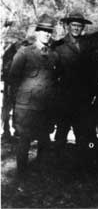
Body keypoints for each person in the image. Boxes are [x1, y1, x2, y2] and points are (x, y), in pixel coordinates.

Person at [9, 14, 60, 177]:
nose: (46, 34)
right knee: (24, 139)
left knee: (44, 139)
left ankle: (40, 170)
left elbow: (55, 80)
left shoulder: (54, 55)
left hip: (46, 107)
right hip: (26, 107)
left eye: (49, 31)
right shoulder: (24, 52)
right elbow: (13, 79)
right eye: (43, 30)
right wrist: (17, 104)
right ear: (37, 32)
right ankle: (22, 173)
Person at [53, 10, 96, 159]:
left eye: (79, 25)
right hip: (64, 99)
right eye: (73, 25)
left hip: (83, 101)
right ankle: (55, 168)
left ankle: (79, 168)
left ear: (83, 27)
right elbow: (53, 74)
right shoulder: (58, 46)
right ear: (68, 26)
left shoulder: (89, 46)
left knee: (83, 136)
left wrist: (92, 94)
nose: (76, 28)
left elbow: (94, 72)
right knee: (61, 135)